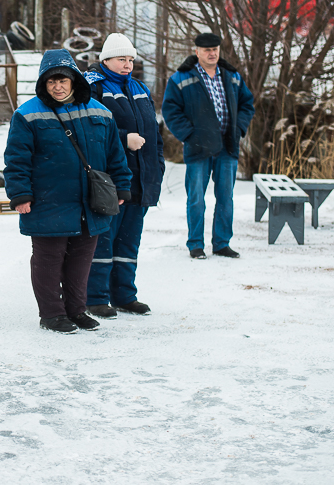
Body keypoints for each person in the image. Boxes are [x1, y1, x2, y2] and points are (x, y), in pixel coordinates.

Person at [4, 49, 132, 334]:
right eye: (51, 82)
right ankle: (51, 314)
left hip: (90, 201)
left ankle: (76, 310)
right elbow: (16, 159)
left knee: (81, 259)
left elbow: (115, 155)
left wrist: (122, 186)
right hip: (48, 200)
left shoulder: (100, 111)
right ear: (43, 83)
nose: (58, 87)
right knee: (49, 259)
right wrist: (20, 194)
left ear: (74, 80)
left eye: (62, 80)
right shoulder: (26, 114)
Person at [83, 34, 165, 318]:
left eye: (130, 59)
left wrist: (157, 166)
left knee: (129, 242)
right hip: (110, 180)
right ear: (106, 60)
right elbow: (89, 130)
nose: (128, 64)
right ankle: (95, 297)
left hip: (141, 178)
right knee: (104, 241)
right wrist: (123, 138)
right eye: (121, 59)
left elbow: (154, 133)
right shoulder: (93, 87)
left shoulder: (139, 88)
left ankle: (125, 295)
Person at [162, 32, 255, 259]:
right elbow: (170, 110)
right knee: (196, 199)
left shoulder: (232, 76)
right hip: (198, 147)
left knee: (225, 198)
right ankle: (196, 244)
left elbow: (247, 104)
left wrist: (238, 129)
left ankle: (222, 243)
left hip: (227, 146)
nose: (212, 53)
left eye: (215, 49)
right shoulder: (181, 78)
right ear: (197, 52)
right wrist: (189, 135)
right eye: (207, 50)